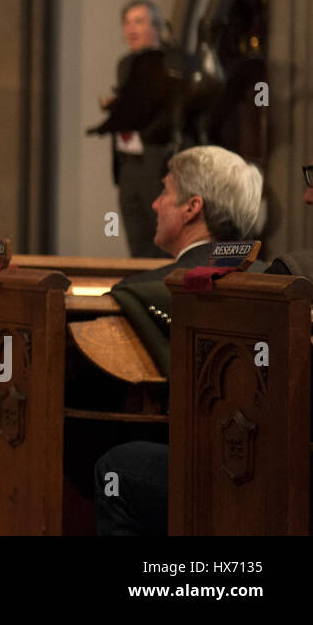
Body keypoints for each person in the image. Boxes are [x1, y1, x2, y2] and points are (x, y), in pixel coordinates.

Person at [95, 145, 264, 535]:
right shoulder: (278, 277)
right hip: (274, 461)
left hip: (208, 469)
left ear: (192, 208)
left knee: (115, 466)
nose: (154, 204)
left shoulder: (143, 290)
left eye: (165, 192)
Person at [89, 0, 192, 257]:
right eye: (127, 22)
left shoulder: (172, 62)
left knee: (163, 239)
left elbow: (172, 108)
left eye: (139, 21)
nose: (131, 28)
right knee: (137, 239)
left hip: (156, 161)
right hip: (127, 164)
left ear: (156, 26)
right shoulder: (125, 64)